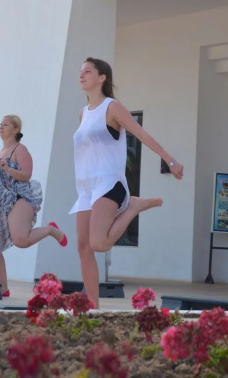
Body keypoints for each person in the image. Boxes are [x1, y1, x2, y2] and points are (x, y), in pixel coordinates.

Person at [71, 57, 184, 308]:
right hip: (86, 187)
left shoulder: (112, 107)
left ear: (102, 78)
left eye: (87, 71)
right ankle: (91, 308)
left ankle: (133, 206)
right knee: (83, 247)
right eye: (80, 71)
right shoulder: (83, 113)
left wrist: (170, 160)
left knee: (99, 243)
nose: (81, 75)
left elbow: (141, 134)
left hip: (109, 182)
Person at [0, 115, 67, 298]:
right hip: (1, 202)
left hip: (19, 197)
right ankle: (3, 289)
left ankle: (50, 230)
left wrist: (8, 169)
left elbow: (26, 175)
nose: (1, 127)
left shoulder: (20, 149)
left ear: (16, 129)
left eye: (5, 124)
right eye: (0, 124)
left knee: (21, 241)